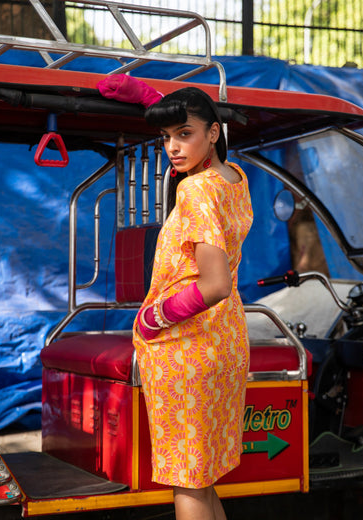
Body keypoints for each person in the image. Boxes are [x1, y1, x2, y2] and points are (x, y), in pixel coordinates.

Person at [132, 86, 253, 520]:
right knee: (201, 479)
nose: (172, 148)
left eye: (185, 134)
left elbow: (215, 283)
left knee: (186, 480)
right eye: (166, 137)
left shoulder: (196, 190)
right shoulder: (234, 179)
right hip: (225, 341)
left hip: (187, 348)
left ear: (214, 132)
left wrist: (153, 318)